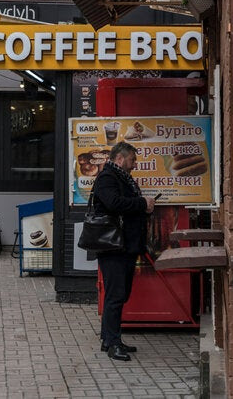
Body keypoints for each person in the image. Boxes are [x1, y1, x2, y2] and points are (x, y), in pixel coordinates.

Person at [91, 141, 155, 361]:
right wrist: (141, 203)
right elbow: (114, 203)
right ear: (120, 158)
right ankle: (112, 343)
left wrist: (142, 208)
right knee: (115, 295)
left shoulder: (121, 177)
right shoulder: (108, 178)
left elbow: (125, 206)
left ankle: (110, 339)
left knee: (119, 294)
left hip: (125, 246)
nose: (135, 164)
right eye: (132, 159)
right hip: (113, 247)